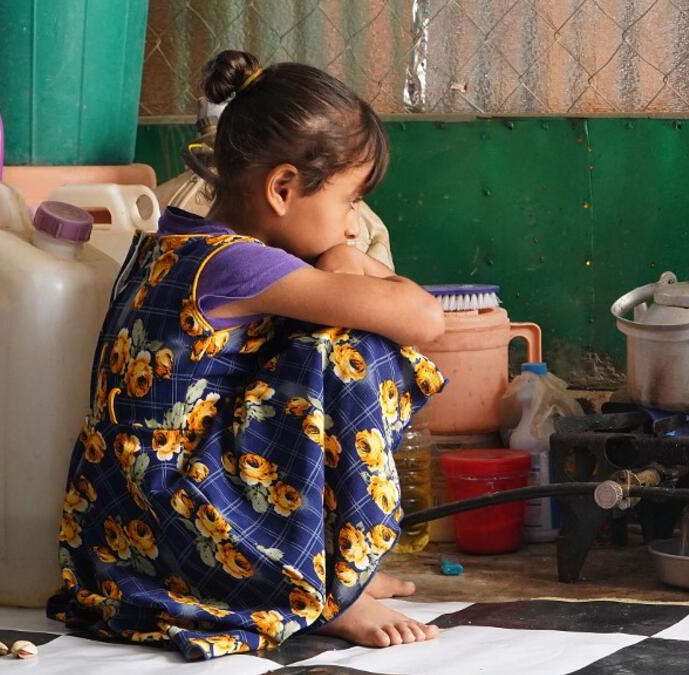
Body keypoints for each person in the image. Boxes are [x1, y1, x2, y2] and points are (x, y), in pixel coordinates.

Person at [47, 49, 447, 660]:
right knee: (353, 349)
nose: (349, 227)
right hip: (187, 518)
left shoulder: (180, 239)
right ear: (283, 188)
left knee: (320, 337)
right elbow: (425, 320)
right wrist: (345, 263)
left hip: (119, 521)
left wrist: (338, 259)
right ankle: (330, 591)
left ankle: (333, 571)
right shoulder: (240, 264)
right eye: (348, 205)